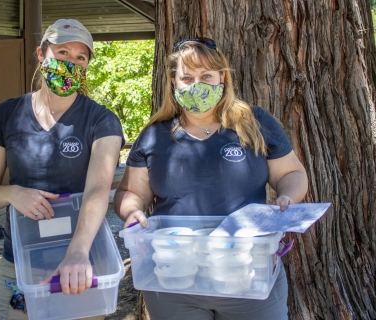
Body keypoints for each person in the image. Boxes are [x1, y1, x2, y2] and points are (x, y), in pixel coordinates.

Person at [114, 37, 308, 320]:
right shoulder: (154, 135)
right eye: (187, 77)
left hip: (248, 276)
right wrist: (132, 211)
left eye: (206, 76)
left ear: (222, 78)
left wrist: (288, 196)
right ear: (174, 83)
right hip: (173, 281)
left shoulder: (255, 123)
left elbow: (292, 173)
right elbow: (130, 193)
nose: (197, 84)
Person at [0, 19, 124, 320]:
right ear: (41, 54)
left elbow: (98, 189)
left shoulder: (102, 120)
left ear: (86, 66)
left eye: (80, 57)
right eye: (62, 52)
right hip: (21, 263)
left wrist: (77, 253)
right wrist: (12, 193)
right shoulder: (5, 114)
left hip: (81, 262)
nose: (70, 62)